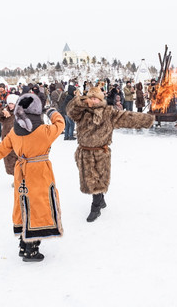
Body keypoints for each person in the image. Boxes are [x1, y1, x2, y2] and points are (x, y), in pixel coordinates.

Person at [0, 94, 65, 262]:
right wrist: (51, 111)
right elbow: (60, 124)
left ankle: (24, 243)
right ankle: (31, 248)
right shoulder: (44, 131)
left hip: (21, 171)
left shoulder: (14, 132)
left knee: (23, 203)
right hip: (39, 171)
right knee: (39, 206)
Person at [66, 87, 154, 222]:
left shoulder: (108, 113)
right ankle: (101, 201)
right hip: (84, 152)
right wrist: (81, 101)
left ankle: (95, 208)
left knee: (97, 179)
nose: (93, 100)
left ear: (101, 99)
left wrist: (147, 119)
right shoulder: (82, 112)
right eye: (91, 97)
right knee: (91, 180)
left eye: (96, 98)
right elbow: (70, 110)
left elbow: (127, 118)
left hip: (101, 152)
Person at [0, 93, 19, 177]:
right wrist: (2, 112)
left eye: (12, 103)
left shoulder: (21, 113)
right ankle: (16, 177)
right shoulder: (6, 113)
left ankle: (21, 178)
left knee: (20, 160)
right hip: (7, 141)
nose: (10, 105)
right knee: (10, 160)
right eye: (9, 103)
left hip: (19, 140)